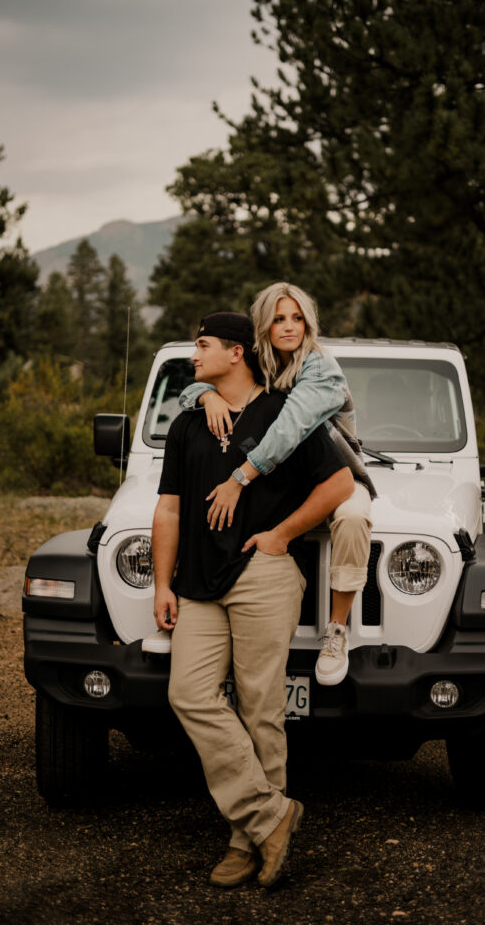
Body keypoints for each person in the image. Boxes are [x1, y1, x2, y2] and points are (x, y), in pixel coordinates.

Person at [152, 311, 353, 888]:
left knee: (261, 709)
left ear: (236, 353)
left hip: (262, 575)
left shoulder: (282, 415)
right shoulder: (189, 423)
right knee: (188, 694)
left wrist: (283, 535)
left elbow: (339, 485)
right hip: (197, 583)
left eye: (203, 345)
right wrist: (163, 583)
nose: (194, 354)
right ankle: (270, 817)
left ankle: (246, 844)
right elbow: (168, 507)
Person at [177, 282, 375, 686]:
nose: (289, 327)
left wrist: (238, 479)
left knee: (354, 517)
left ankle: (336, 628)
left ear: (309, 322)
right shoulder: (264, 365)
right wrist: (206, 397)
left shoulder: (319, 367)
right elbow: (208, 379)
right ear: (263, 325)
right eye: (279, 318)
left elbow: (289, 428)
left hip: (333, 473)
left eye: (298, 318)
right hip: (282, 477)